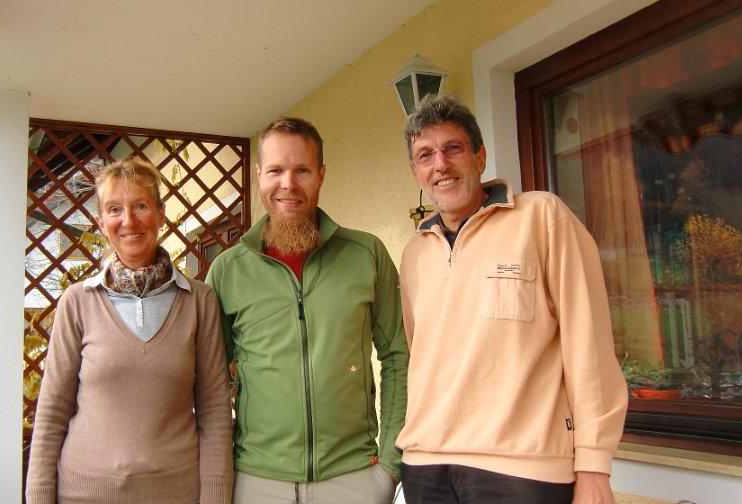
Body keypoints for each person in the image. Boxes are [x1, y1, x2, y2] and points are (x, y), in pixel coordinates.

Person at [396, 94, 628, 504]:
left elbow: (588, 343)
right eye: (425, 156)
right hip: (425, 465)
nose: (440, 164)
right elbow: (420, 355)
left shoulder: (542, 218)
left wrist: (594, 463)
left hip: (522, 468)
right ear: (416, 172)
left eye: (453, 148)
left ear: (480, 156)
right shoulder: (414, 253)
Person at [205, 117, 408, 504]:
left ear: (321, 175)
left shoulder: (366, 255)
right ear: (259, 175)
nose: (289, 184)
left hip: (355, 477)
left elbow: (398, 355)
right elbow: (210, 380)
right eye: (276, 171)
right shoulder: (228, 270)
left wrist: (389, 464)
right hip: (255, 480)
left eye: (302, 170)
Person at [25, 159, 233, 504]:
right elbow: (51, 413)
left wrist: (216, 498)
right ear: (101, 222)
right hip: (83, 494)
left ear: (161, 214)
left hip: (175, 494)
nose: (129, 221)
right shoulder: (78, 302)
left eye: (141, 206)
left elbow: (214, 413)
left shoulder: (199, 301)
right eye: (114, 209)